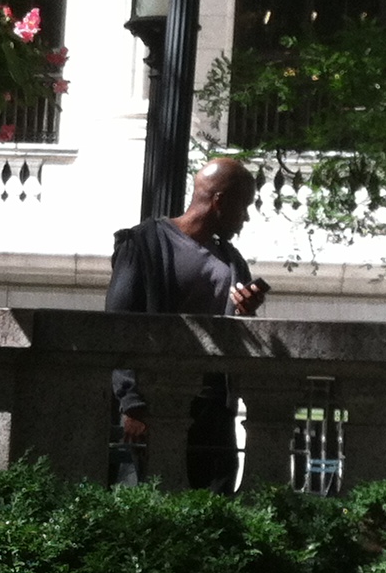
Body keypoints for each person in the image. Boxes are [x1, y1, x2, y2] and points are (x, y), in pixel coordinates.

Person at [105, 157, 270, 488]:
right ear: (219, 201)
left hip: (214, 409)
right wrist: (131, 404)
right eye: (244, 206)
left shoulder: (232, 261)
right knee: (155, 498)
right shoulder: (144, 244)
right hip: (156, 401)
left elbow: (236, 336)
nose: (246, 217)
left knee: (214, 500)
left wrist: (245, 312)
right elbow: (118, 328)